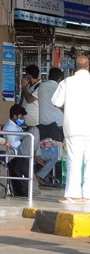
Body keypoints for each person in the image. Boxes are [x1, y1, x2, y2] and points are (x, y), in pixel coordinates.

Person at [50, 55, 90, 203]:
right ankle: (87, 194)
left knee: (74, 160)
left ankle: (73, 194)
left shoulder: (67, 82)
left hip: (73, 127)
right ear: (88, 67)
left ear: (75, 67)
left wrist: (67, 109)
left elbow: (56, 101)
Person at [36, 67, 64, 187]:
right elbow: (61, 104)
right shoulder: (58, 87)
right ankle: (45, 174)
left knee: (45, 148)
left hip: (43, 123)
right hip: (57, 123)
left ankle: (42, 171)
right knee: (59, 153)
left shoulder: (41, 86)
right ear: (59, 78)